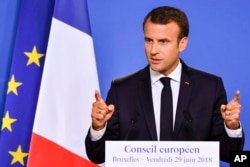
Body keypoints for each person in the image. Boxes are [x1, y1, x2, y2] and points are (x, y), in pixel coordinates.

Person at [85, 6, 244, 164]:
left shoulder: (209, 88)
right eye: (149, 40)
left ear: (182, 43)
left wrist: (231, 127)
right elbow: (98, 156)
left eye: (163, 42)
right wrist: (98, 128)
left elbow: (229, 155)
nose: (153, 50)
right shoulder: (122, 90)